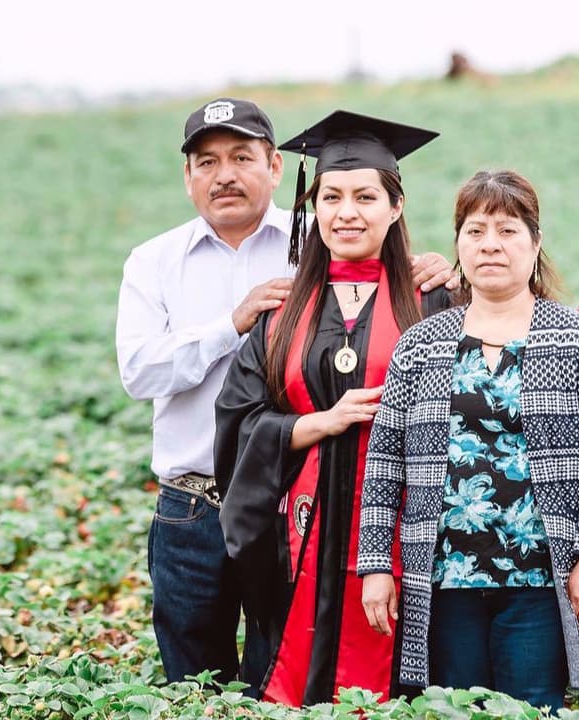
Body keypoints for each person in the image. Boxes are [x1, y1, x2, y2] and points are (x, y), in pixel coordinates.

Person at [116, 99, 456, 692]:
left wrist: (443, 273)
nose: (225, 174)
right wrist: (236, 323)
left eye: (242, 157)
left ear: (276, 168)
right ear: (188, 174)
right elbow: (141, 373)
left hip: (332, 517)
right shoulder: (156, 263)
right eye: (207, 160)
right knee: (202, 681)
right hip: (200, 505)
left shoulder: (315, 248)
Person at [357, 170, 579, 709]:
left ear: (535, 242)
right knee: (454, 706)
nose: (490, 245)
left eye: (507, 230)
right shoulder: (422, 344)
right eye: (476, 230)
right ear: (458, 243)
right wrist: (374, 566)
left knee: (531, 704)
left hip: (538, 579)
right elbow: (385, 462)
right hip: (443, 578)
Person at [213, 109, 453, 706]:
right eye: (331, 196)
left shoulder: (437, 302)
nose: (347, 212)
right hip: (298, 542)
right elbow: (237, 422)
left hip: (407, 537)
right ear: (312, 206)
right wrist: (312, 424)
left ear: (395, 208)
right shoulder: (281, 311)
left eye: (366, 196)